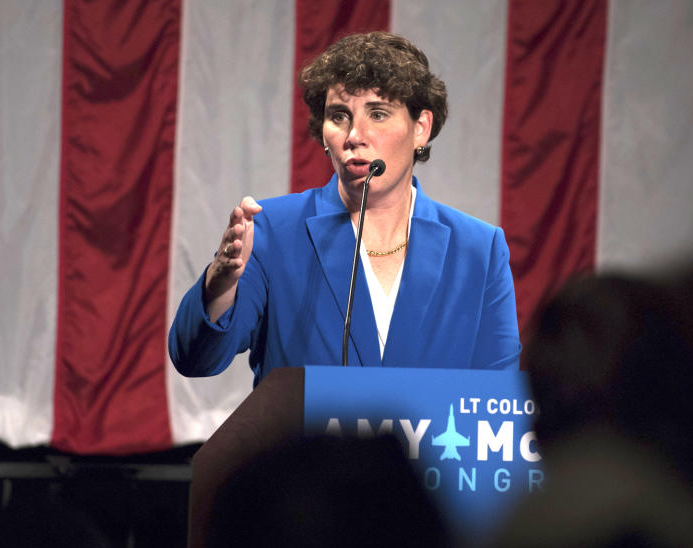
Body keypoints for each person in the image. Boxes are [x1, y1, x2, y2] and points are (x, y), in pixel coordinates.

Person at [169, 31, 521, 385]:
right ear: (323, 134)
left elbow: (496, 400)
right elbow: (195, 360)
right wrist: (220, 284)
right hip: (305, 443)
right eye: (339, 116)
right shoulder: (273, 230)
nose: (355, 135)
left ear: (421, 128)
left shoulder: (479, 249)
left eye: (379, 114)